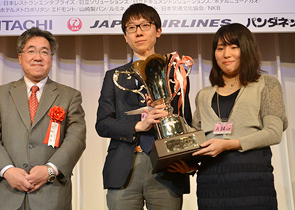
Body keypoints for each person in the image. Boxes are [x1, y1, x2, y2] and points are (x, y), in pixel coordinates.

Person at [170, 23, 288, 210]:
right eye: (220, 48)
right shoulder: (204, 94)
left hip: (252, 181)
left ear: (247, 49)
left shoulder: (267, 84)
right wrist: (190, 163)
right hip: (211, 184)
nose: (226, 54)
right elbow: (197, 138)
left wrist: (228, 144)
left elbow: (274, 133)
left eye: (234, 47)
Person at [96, 3, 194, 210]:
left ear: (158, 30)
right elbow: (102, 124)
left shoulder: (175, 72)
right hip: (124, 168)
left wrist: (190, 164)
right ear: (125, 36)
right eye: (131, 28)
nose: (138, 32)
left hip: (167, 168)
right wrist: (138, 126)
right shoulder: (114, 76)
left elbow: (186, 120)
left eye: (145, 25)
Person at [0, 27, 86, 210]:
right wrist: (7, 170)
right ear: (20, 58)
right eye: (31, 51)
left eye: (44, 52)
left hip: (50, 194)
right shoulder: (0, 94)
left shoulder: (70, 95)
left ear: (51, 60)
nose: (38, 57)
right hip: (3, 193)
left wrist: (51, 169)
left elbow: (76, 138)